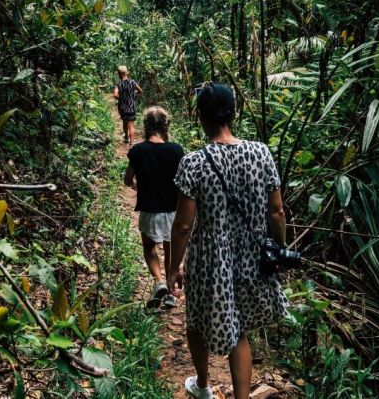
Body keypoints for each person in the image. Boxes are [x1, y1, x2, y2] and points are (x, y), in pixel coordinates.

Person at [167, 83, 287, 399]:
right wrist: (278, 249)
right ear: (233, 113)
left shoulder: (193, 162)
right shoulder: (261, 152)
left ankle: (203, 386)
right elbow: (276, 211)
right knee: (241, 329)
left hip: (209, 258)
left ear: (200, 116)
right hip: (251, 254)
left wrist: (173, 267)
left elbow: (182, 225)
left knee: (196, 321)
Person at [124, 106, 185, 309]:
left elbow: (127, 179)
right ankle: (169, 291)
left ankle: (158, 280)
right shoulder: (176, 150)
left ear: (146, 126)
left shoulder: (137, 151)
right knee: (170, 250)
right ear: (166, 125)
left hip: (149, 209)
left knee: (150, 248)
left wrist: (137, 185)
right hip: (172, 210)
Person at [113, 65, 143, 144]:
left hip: (122, 107)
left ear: (119, 74)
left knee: (124, 122)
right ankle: (131, 144)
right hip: (131, 106)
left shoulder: (118, 83)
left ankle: (126, 137)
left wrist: (121, 98)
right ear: (127, 73)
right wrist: (133, 94)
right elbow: (140, 91)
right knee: (131, 125)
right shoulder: (132, 82)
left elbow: (115, 95)